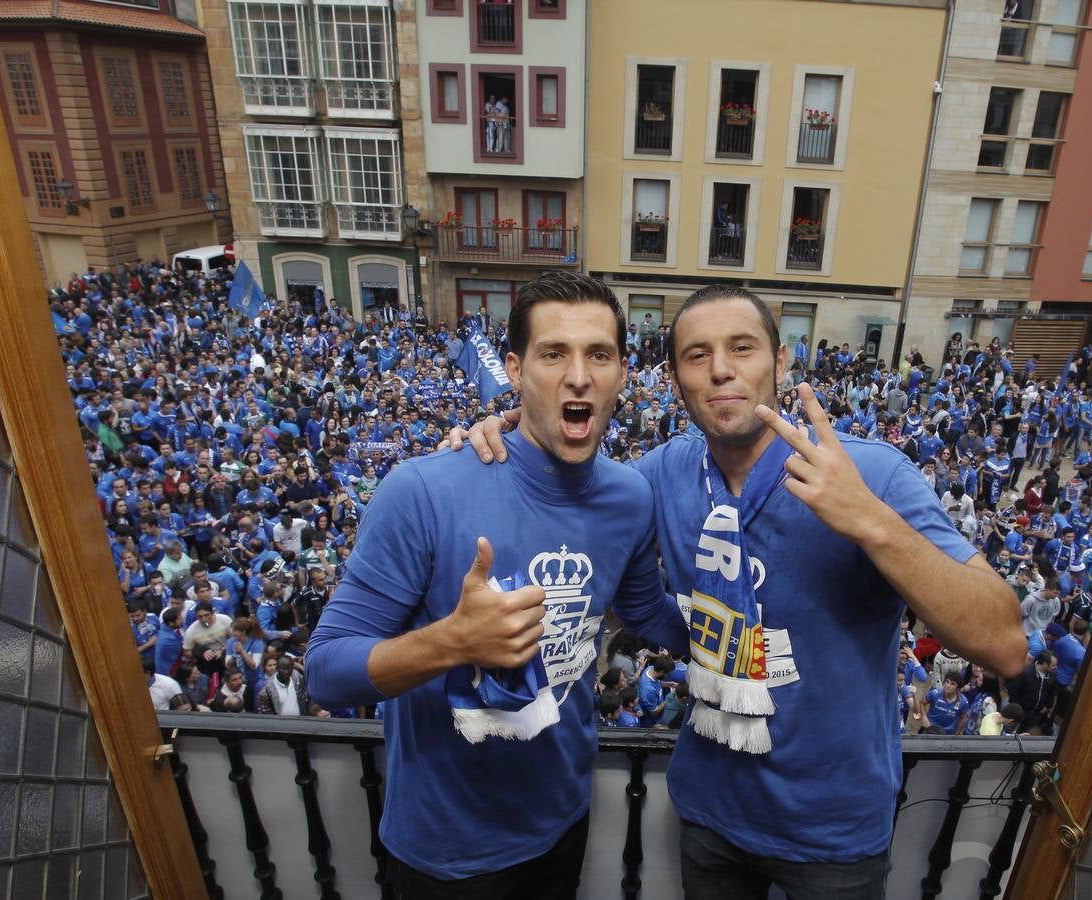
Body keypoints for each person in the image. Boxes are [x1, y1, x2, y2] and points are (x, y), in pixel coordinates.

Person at [456, 284, 1025, 897]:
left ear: (780, 363)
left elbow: (1004, 645)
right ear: (675, 379)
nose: (721, 368)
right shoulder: (661, 476)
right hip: (711, 814)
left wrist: (869, 520)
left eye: (742, 347)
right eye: (697, 355)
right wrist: (501, 433)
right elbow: (575, 490)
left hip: (833, 833)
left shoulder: (872, 473)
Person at [306, 271, 686, 897]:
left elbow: (648, 612)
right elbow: (324, 670)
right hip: (446, 854)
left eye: (599, 354)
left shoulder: (630, 498)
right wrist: (451, 642)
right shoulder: (423, 490)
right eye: (553, 353)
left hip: (561, 822)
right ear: (514, 369)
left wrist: (749, 631)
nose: (579, 375)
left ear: (623, 373)